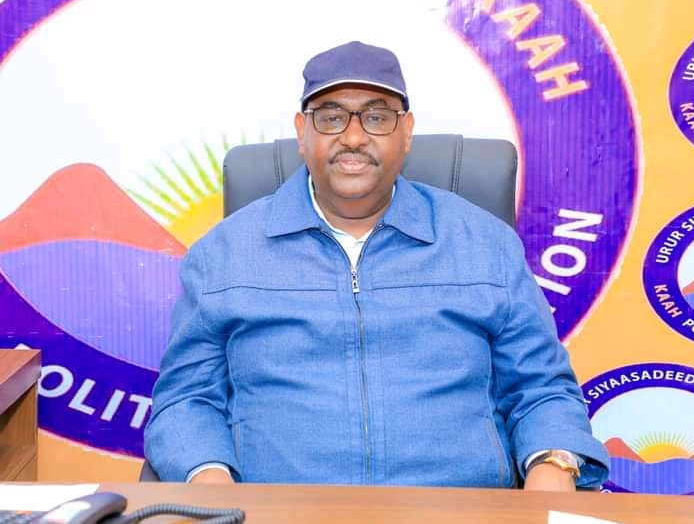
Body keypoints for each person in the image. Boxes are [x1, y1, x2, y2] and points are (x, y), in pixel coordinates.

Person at [144, 40, 610, 491]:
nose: (353, 138)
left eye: (376, 116)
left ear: (406, 132)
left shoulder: (485, 244)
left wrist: (552, 466)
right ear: (302, 132)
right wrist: (212, 482)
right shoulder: (224, 253)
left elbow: (542, 389)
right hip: (280, 510)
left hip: (459, 509)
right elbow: (186, 399)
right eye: (330, 117)